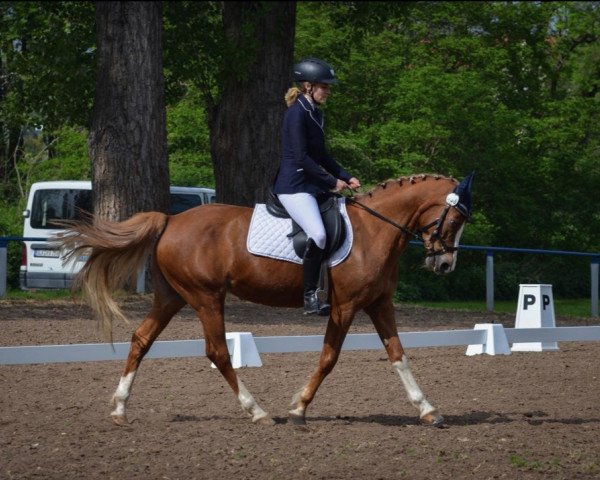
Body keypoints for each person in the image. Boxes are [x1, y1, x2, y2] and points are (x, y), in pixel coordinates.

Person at [271, 57, 361, 316]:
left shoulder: (314, 113)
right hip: (293, 186)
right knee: (319, 235)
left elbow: (321, 155)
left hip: (309, 183)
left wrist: (346, 175)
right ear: (308, 86)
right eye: (324, 86)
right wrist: (331, 182)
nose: (328, 90)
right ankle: (310, 295)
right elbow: (301, 157)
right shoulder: (296, 113)